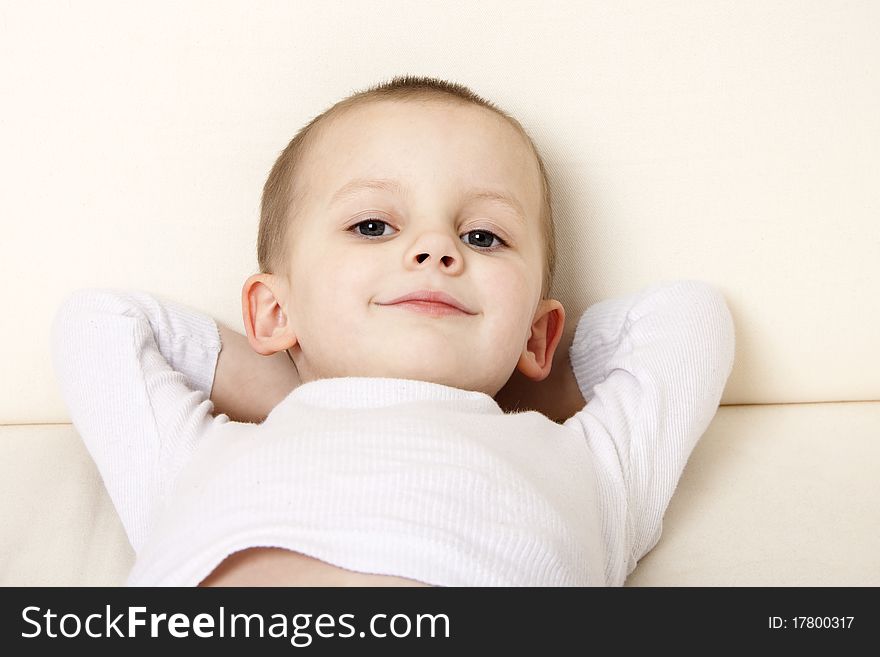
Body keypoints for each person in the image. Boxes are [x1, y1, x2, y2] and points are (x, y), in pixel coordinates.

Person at [50, 75, 735, 586]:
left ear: (538, 334)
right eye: (373, 225)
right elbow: (102, 324)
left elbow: (687, 318)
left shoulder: (593, 467)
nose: (436, 249)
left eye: (484, 235)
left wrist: (498, 367)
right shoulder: (199, 458)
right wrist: (299, 374)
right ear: (273, 310)